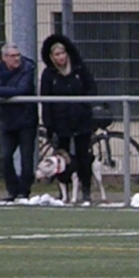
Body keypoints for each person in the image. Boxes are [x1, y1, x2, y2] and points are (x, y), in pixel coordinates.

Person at [39, 34, 97, 204]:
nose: (61, 57)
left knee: (83, 155)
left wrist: (84, 106)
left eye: (63, 53)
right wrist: (49, 124)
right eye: (57, 54)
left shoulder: (79, 70)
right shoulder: (48, 74)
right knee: (61, 158)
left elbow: (92, 88)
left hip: (81, 120)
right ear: (52, 57)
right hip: (60, 121)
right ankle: (64, 191)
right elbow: (45, 100)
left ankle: (85, 190)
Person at [0, 43, 38, 201]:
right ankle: (12, 191)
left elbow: (22, 90)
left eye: (18, 55)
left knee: (26, 159)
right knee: (5, 157)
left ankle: (24, 192)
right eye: (12, 56)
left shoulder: (27, 68)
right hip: (7, 120)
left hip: (26, 120)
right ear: (4, 58)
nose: (17, 59)